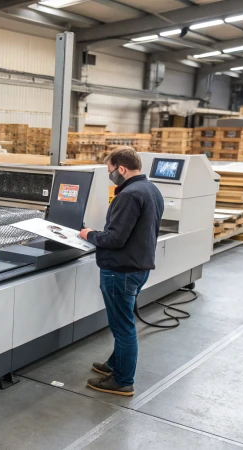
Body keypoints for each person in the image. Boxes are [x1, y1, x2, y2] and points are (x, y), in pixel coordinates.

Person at [78, 147, 164, 396]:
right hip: (139, 266)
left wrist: (89, 234)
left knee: (122, 327)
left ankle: (123, 380)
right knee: (123, 322)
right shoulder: (151, 189)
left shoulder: (128, 195)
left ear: (121, 169)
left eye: (110, 171)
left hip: (121, 270)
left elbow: (115, 239)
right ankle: (115, 365)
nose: (111, 175)